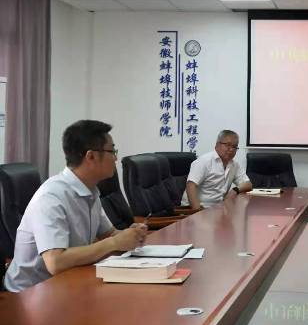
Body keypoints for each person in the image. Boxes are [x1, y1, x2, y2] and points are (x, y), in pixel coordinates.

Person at [3, 120, 147, 292]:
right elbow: (55, 262)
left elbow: (109, 234)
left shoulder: (90, 190)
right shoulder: (51, 197)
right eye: (112, 151)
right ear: (91, 156)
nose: (115, 158)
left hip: (68, 282)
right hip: (28, 294)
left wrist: (130, 234)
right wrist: (114, 243)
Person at [182, 130, 253, 209]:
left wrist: (234, 190)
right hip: (194, 208)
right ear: (217, 145)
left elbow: (248, 184)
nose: (231, 149)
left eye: (234, 147)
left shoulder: (234, 165)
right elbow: (191, 186)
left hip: (217, 209)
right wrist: (197, 211)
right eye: (228, 145)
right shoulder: (204, 161)